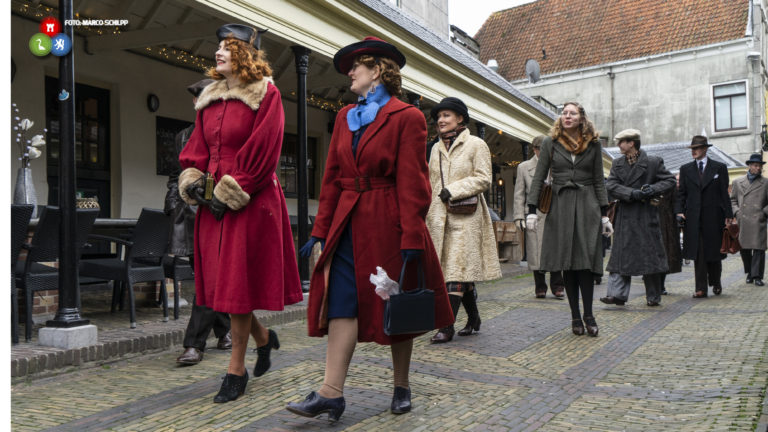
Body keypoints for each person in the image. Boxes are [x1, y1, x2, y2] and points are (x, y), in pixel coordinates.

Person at [286, 37, 453, 421]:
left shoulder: (407, 116)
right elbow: (331, 179)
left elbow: (413, 183)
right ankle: (331, 392)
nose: (349, 72)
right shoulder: (345, 117)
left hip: (388, 223)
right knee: (342, 301)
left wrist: (412, 235)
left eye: (355, 66)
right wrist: (320, 230)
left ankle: (401, 385)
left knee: (395, 303)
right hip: (347, 222)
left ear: (377, 70)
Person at [178, 24, 303, 403]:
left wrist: (234, 189)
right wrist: (194, 178)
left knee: (237, 286)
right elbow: (197, 146)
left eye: (226, 49)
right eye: (217, 48)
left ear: (243, 55)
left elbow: (266, 150)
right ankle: (264, 338)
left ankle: (236, 371)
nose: (218, 54)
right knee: (222, 288)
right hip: (213, 200)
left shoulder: (268, 94)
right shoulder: (209, 97)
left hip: (250, 197)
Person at [526, 102, 612, 337]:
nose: (567, 116)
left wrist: (605, 215)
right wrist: (531, 209)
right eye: (564, 113)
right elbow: (539, 177)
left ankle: (589, 314)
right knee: (567, 264)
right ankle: (575, 316)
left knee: (585, 263)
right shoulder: (549, 143)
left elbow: (598, 179)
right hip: (560, 206)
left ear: (582, 117)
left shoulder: (593, 144)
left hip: (588, 207)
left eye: (572, 113)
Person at [425, 97, 502, 343]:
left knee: (456, 270)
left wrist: (454, 190)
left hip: (466, 216)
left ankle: (446, 326)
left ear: (460, 118)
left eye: (446, 115)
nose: (441, 120)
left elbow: (483, 178)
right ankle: (474, 318)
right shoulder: (434, 148)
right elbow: (429, 183)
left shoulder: (476, 145)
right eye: (439, 117)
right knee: (452, 270)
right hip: (438, 217)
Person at [167, 79, 233, 365]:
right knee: (205, 278)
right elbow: (174, 176)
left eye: (204, 98)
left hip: (218, 214)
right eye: (196, 100)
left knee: (209, 280)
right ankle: (226, 331)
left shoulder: (227, 132)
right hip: (189, 217)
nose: (198, 104)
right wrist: (173, 205)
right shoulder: (184, 135)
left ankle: (194, 344)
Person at [599, 129, 675, 307]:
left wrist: (653, 189)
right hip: (626, 216)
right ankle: (616, 295)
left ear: (631, 143)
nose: (618, 146)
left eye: (621, 142)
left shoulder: (653, 162)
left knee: (650, 257)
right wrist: (632, 193)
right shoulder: (617, 164)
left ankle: (653, 296)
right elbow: (611, 185)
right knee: (620, 257)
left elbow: (670, 181)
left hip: (646, 216)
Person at [675, 135, 733, 298]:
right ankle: (700, 288)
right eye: (692, 148)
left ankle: (716, 280)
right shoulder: (686, 169)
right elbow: (681, 194)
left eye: (697, 148)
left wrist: (729, 214)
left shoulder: (719, 167)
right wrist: (679, 211)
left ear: (705, 149)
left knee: (714, 252)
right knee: (699, 252)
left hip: (714, 216)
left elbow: (724, 193)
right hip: (693, 218)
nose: (693, 151)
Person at [513, 135, 565, 299]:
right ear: (535, 149)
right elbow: (519, 194)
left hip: (555, 213)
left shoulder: (557, 166)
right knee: (536, 252)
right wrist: (519, 216)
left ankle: (557, 286)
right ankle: (540, 287)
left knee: (555, 250)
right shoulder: (524, 167)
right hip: (534, 215)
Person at [730, 153, 768, 286]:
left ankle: (757, 276)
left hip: (758, 220)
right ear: (750, 166)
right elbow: (733, 200)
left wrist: (764, 212)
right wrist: (737, 212)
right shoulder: (737, 182)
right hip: (743, 220)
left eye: (760, 166)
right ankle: (750, 273)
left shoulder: (765, 183)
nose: (758, 169)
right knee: (744, 249)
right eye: (756, 166)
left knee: (759, 249)